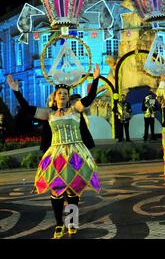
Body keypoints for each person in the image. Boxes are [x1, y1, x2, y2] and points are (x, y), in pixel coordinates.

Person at [6, 64, 101, 238]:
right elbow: (27, 110)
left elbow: (90, 98)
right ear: (55, 97)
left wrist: (95, 80)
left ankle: (72, 222)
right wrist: (16, 91)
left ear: (68, 97)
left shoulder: (75, 110)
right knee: (56, 190)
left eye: (65, 94)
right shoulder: (48, 113)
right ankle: (59, 225)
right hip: (56, 154)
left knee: (73, 190)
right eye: (60, 94)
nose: (63, 96)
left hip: (75, 153)